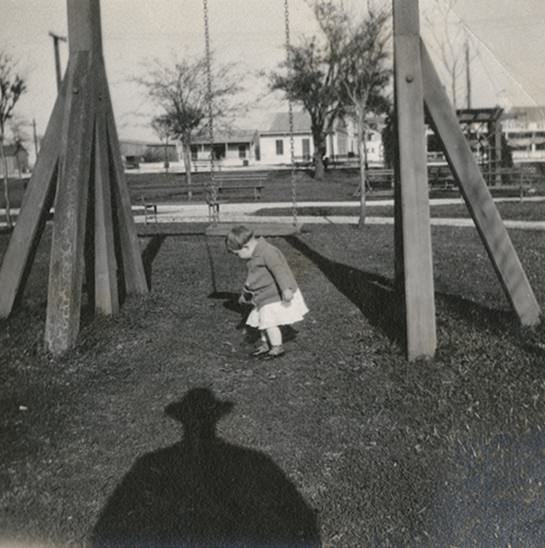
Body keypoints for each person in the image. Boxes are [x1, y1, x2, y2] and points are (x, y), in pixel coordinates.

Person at [226, 225, 309, 359]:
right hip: (264, 295)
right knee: (261, 320)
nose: (238, 257)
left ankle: (277, 347)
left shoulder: (268, 252)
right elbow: (252, 280)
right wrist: (245, 294)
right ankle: (266, 344)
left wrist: (286, 289)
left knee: (269, 322)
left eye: (237, 254)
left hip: (274, 294)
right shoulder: (253, 257)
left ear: (246, 247)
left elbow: (280, 271)